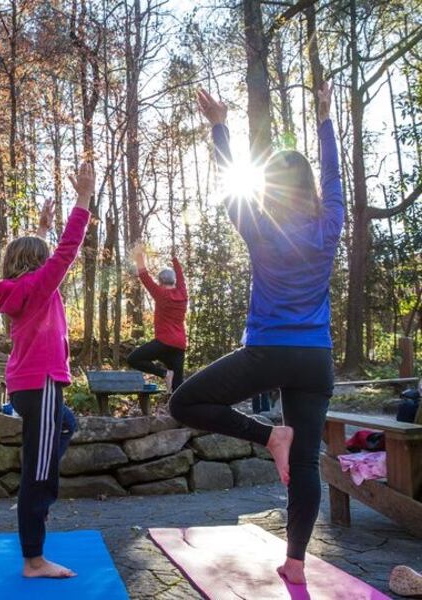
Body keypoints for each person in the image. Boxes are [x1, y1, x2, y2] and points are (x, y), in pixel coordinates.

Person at [169, 82, 342, 585]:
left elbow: (233, 186)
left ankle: (270, 435)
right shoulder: (329, 225)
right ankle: (295, 561)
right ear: (307, 189)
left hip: (268, 351)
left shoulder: (260, 226)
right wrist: (326, 119)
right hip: (315, 359)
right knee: (306, 463)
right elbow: (334, 181)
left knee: (183, 402)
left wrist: (220, 127)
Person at [0, 162, 94, 579]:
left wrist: (41, 229)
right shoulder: (38, 288)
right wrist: (83, 199)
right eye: (44, 258)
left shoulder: (22, 290)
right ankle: (34, 558)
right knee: (39, 471)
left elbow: (46, 259)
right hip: (43, 383)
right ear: (38, 264)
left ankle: (35, 501)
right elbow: (67, 251)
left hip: (25, 386)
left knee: (64, 428)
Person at [127, 245, 188, 393]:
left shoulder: (160, 294)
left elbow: (144, 276)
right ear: (173, 281)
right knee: (177, 387)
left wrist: (139, 256)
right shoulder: (183, 294)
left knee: (133, 359)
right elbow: (181, 278)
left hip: (163, 342)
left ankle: (164, 373)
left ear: (160, 282)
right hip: (179, 344)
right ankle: (176, 413)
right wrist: (175, 260)